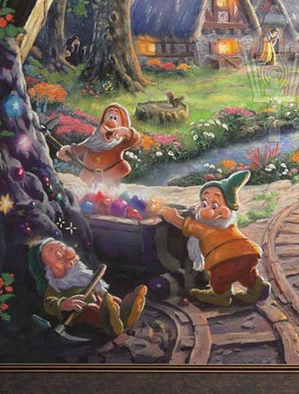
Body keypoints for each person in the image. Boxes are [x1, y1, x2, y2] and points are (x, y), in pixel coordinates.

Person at [149, 170, 270, 308]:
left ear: (227, 209)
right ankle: (257, 287)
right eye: (204, 204)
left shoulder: (205, 229)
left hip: (225, 259)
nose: (207, 209)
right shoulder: (228, 224)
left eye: (214, 206)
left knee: (220, 279)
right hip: (249, 253)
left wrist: (170, 215)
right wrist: (197, 209)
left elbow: (184, 224)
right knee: (245, 273)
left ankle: (220, 296)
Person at [28, 236, 146, 336]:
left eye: (61, 247)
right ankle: (114, 326)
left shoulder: (82, 275)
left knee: (115, 301)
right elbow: (49, 303)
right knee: (93, 311)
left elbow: (97, 289)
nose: (60, 251)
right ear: (48, 268)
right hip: (79, 314)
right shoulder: (55, 286)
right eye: (52, 251)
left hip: (98, 301)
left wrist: (103, 297)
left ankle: (127, 314)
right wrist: (64, 304)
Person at [56, 103, 141, 187]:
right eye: (110, 117)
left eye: (115, 118)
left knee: (109, 191)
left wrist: (127, 132)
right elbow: (83, 147)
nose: (112, 121)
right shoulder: (95, 138)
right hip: (89, 175)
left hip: (110, 175)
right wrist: (70, 150)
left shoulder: (120, 142)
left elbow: (134, 140)